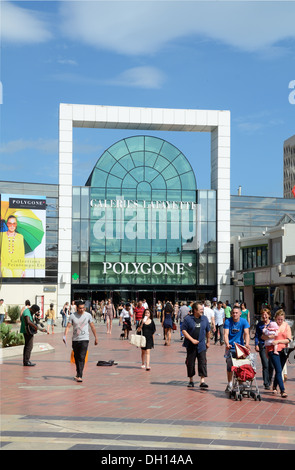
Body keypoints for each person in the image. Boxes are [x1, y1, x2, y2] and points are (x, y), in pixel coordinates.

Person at [63, 300, 98, 382]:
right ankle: (78, 373)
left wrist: (96, 337)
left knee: (82, 357)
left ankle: (80, 375)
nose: (82, 310)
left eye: (83, 308)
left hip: (85, 339)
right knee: (76, 357)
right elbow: (68, 326)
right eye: (80, 308)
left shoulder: (88, 315)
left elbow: (92, 326)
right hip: (75, 339)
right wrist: (65, 336)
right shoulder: (72, 316)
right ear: (76, 308)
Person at [263, 309, 291, 398]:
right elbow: (264, 336)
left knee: (280, 369)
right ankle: (282, 390)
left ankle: (275, 386)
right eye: (278, 319)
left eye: (281, 319)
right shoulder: (272, 325)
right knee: (278, 370)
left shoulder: (286, 326)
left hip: (284, 350)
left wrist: (278, 341)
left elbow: (289, 339)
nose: (279, 321)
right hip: (273, 350)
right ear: (275, 318)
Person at [182, 302, 210, 389]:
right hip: (190, 345)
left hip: (201, 345)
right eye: (200, 309)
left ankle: (202, 381)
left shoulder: (204, 319)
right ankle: (191, 380)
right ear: (195, 310)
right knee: (190, 363)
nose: (202, 310)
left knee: (202, 362)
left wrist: (208, 341)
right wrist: (192, 340)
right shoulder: (188, 319)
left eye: (202, 309)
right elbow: (183, 330)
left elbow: (208, 331)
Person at [224, 306, 250, 392]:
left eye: (236, 313)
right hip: (230, 347)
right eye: (233, 313)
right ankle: (229, 383)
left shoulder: (243, 321)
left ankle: (240, 382)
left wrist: (247, 344)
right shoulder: (228, 321)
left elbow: (246, 333)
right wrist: (227, 344)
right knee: (229, 366)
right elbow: (226, 334)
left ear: (240, 313)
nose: (234, 314)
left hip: (240, 348)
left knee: (241, 366)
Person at [254, 308, 274, 390]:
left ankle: (269, 380)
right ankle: (266, 383)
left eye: (266, 314)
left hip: (271, 346)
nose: (264, 316)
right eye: (263, 314)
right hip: (262, 345)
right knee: (265, 364)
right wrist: (256, 344)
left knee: (271, 365)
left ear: (269, 315)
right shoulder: (259, 324)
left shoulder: (273, 324)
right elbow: (256, 335)